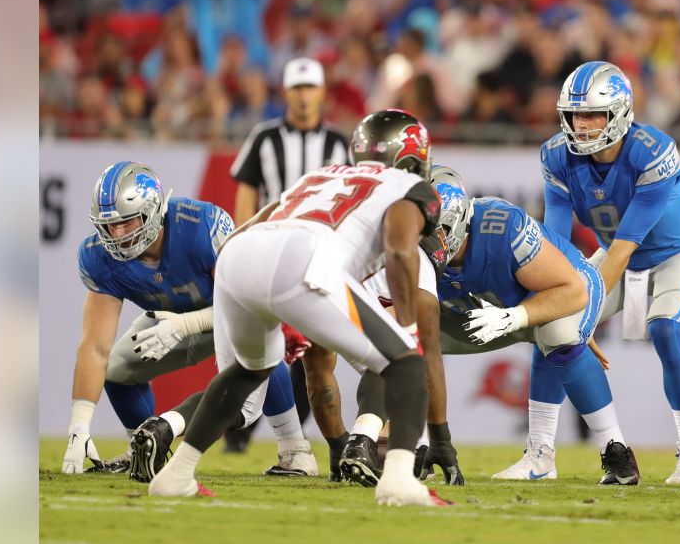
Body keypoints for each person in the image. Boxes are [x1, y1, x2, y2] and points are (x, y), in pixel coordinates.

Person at [148, 156, 448, 507]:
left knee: (247, 372)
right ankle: (397, 481)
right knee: (407, 361)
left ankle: (176, 475)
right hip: (303, 262)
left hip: (237, 257)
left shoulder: (322, 175)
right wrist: (408, 326)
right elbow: (399, 248)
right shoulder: (405, 186)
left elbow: (249, 228)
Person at [63, 162, 316, 481]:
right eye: (109, 226)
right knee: (116, 369)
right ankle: (144, 451)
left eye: (128, 223)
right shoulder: (98, 256)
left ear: (153, 210)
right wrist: (79, 425)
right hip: (167, 322)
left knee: (259, 347)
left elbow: (244, 300)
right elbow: (95, 347)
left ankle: (295, 450)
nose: (118, 235)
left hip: (233, 314)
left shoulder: (198, 226)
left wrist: (184, 325)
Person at [541, 61, 680, 484]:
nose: (582, 125)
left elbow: (622, 251)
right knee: (547, 323)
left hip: (675, 255)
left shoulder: (650, 151)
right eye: (576, 115)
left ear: (618, 113)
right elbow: (555, 249)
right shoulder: (556, 156)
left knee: (666, 331)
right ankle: (539, 452)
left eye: (593, 115)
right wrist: (563, 313)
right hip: (615, 256)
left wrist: (583, 313)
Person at [420, 165, 640, 485]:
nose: (422, 240)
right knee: (400, 338)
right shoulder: (408, 243)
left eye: (429, 230)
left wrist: (516, 317)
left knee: (556, 331)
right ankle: (399, 444)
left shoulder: (503, 227)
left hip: (552, 294)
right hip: (476, 312)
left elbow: (572, 291)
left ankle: (613, 449)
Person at [294, 110, 466, 486]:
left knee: (254, 370)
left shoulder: (332, 181)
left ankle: (338, 448)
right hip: (325, 279)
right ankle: (360, 441)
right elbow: (426, 351)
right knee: (399, 355)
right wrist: (442, 439)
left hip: (293, 268)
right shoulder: (414, 244)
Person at [227, 57, 351, 453]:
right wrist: (240, 242)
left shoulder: (338, 144)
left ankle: (292, 433)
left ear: (322, 92)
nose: (303, 96)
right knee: (260, 340)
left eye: (310, 87)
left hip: (318, 257)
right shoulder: (264, 138)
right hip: (268, 252)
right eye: (297, 88)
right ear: (286, 92)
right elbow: (246, 197)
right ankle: (240, 429)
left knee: (312, 350)